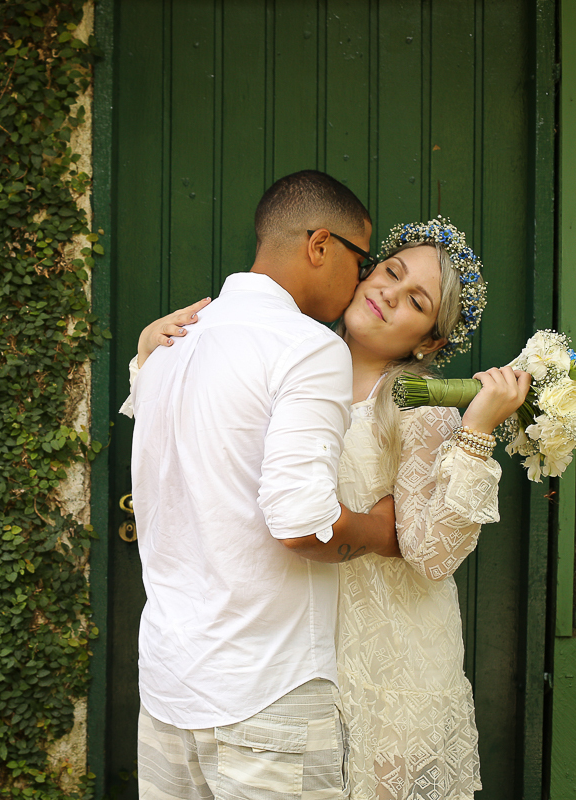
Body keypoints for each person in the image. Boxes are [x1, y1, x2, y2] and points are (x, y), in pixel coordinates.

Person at [129, 216, 531, 800]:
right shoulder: (286, 358)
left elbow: (430, 553)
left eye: (415, 300)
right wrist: (150, 357)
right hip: (282, 650)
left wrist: (476, 432)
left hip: (387, 653)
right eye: (389, 271)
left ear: (429, 341)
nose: (388, 293)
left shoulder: (420, 412)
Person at [125, 170, 402, 800]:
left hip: (169, 686)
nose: (361, 282)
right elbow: (302, 524)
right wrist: (379, 531)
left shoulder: (165, 346)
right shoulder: (305, 348)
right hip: (267, 690)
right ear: (320, 245)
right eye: (362, 262)